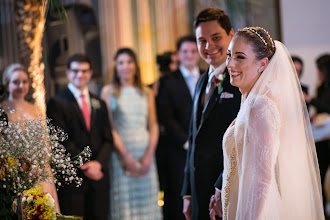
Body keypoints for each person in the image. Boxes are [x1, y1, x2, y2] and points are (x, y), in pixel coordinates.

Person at [209, 27, 324, 220]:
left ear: (262, 64)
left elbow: (262, 178)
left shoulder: (261, 106)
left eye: (240, 57)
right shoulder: (249, 99)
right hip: (238, 202)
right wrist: (222, 191)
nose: (230, 63)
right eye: (229, 55)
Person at [181, 8, 241, 220]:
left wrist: (222, 185)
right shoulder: (201, 80)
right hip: (198, 188)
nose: (208, 47)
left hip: (225, 188)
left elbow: (241, 141)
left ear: (231, 35)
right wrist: (187, 191)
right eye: (201, 40)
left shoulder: (240, 81)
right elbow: (193, 137)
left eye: (216, 38)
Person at [47, 54, 113, 219]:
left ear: (90, 73)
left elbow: (108, 138)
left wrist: (98, 164)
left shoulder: (99, 102)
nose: (80, 75)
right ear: (68, 73)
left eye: (84, 71)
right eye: (75, 71)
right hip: (74, 179)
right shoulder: (56, 102)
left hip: (99, 179)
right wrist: (87, 164)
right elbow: (60, 141)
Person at [100, 48, 162, 220]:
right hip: (121, 154)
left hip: (145, 152)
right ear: (116, 67)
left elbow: (153, 124)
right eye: (121, 62)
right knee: (125, 205)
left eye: (129, 61)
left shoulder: (146, 91)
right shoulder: (108, 91)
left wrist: (149, 155)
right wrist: (126, 156)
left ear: (135, 65)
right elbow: (109, 127)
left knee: (147, 203)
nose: (125, 66)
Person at [1, 63, 60, 213]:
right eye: (16, 82)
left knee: (44, 211)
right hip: (15, 171)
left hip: (39, 170)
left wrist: (43, 162)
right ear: (7, 84)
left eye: (24, 81)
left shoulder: (35, 108)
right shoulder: (2, 109)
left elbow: (45, 138)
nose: (21, 85)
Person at [157, 35, 202, 220]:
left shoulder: (209, 76)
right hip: (178, 149)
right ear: (178, 54)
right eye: (185, 51)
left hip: (205, 149)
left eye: (193, 51)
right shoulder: (168, 81)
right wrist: (185, 141)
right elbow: (166, 117)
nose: (189, 55)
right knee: (179, 196)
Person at [304, 54, 330, 213]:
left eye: (320, 69)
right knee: (318, 175)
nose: (318, 72)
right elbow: (322, 110)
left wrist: (310, 99)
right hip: (321, 137)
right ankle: (321, 210)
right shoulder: (321, 87)